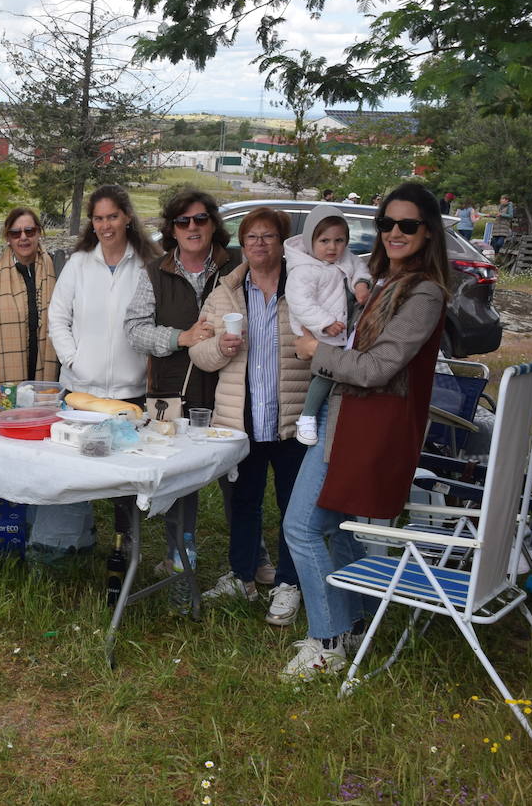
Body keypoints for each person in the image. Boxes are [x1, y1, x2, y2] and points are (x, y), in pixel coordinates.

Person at [280, 181, 450, 682]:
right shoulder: (381, 280)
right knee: (337, 526)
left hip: (366, 422)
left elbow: (379, 367)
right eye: (386, 224)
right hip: (348, 416)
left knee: (302, 526)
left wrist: (318, 354)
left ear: (428, 232)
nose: (395, 233)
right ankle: (351, 625)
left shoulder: (424, 293)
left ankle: (327, 641)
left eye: (408, 225)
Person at [189, 208, 310, 626]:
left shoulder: (302, 289)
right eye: (251, 237)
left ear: (282, 242)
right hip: (241, 422)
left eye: (268, 236)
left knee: (293, 508)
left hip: (293, 419)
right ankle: (242, 576)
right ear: (243, 244)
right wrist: (220, 348)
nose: (259, 244)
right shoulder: (224, 292)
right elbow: (198, 353)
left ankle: (289, 584)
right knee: (244, 503)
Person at [126, 188, 241, 571]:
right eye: (183, 221)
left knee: (238, 476)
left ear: (213, 224)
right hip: (173, 389)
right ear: (172, 230)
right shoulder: (154, 272)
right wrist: (181, 337)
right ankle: (178, 554)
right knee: (177, 473)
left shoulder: (236, 266)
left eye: (201, 219)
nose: (193, 227)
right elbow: (135, 330)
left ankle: (248, 559)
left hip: (232, 388)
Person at [49, 186, 157, 401]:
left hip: (134, 392)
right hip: (79, 391)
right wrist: (73, 361)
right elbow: (57, 318)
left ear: (127, 217)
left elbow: (158, 321)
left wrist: (145, 365)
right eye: (98, 219)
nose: (105, 226)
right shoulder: (78, 263)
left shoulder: (148, 266)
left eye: (113, 217)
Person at [285, 206, 372, 446]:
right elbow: (300, 302)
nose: (332, 247)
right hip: (317, 330)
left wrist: (362, 284)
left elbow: (359, 268)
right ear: (310, 240)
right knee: (326, 373)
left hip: (343, 328)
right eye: (324, 241)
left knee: (338, 372)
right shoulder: (303, 270)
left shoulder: (346, 258)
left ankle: (327, 415)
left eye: (339, 240)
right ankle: (307, 417)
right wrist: (325, 323)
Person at [0, 206, 64, 386]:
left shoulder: (57, 269)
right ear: (8, 238)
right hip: (2, 376)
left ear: (39, 232)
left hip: (49, 378)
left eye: (29, 231)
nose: (23, 237)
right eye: (16, 233)